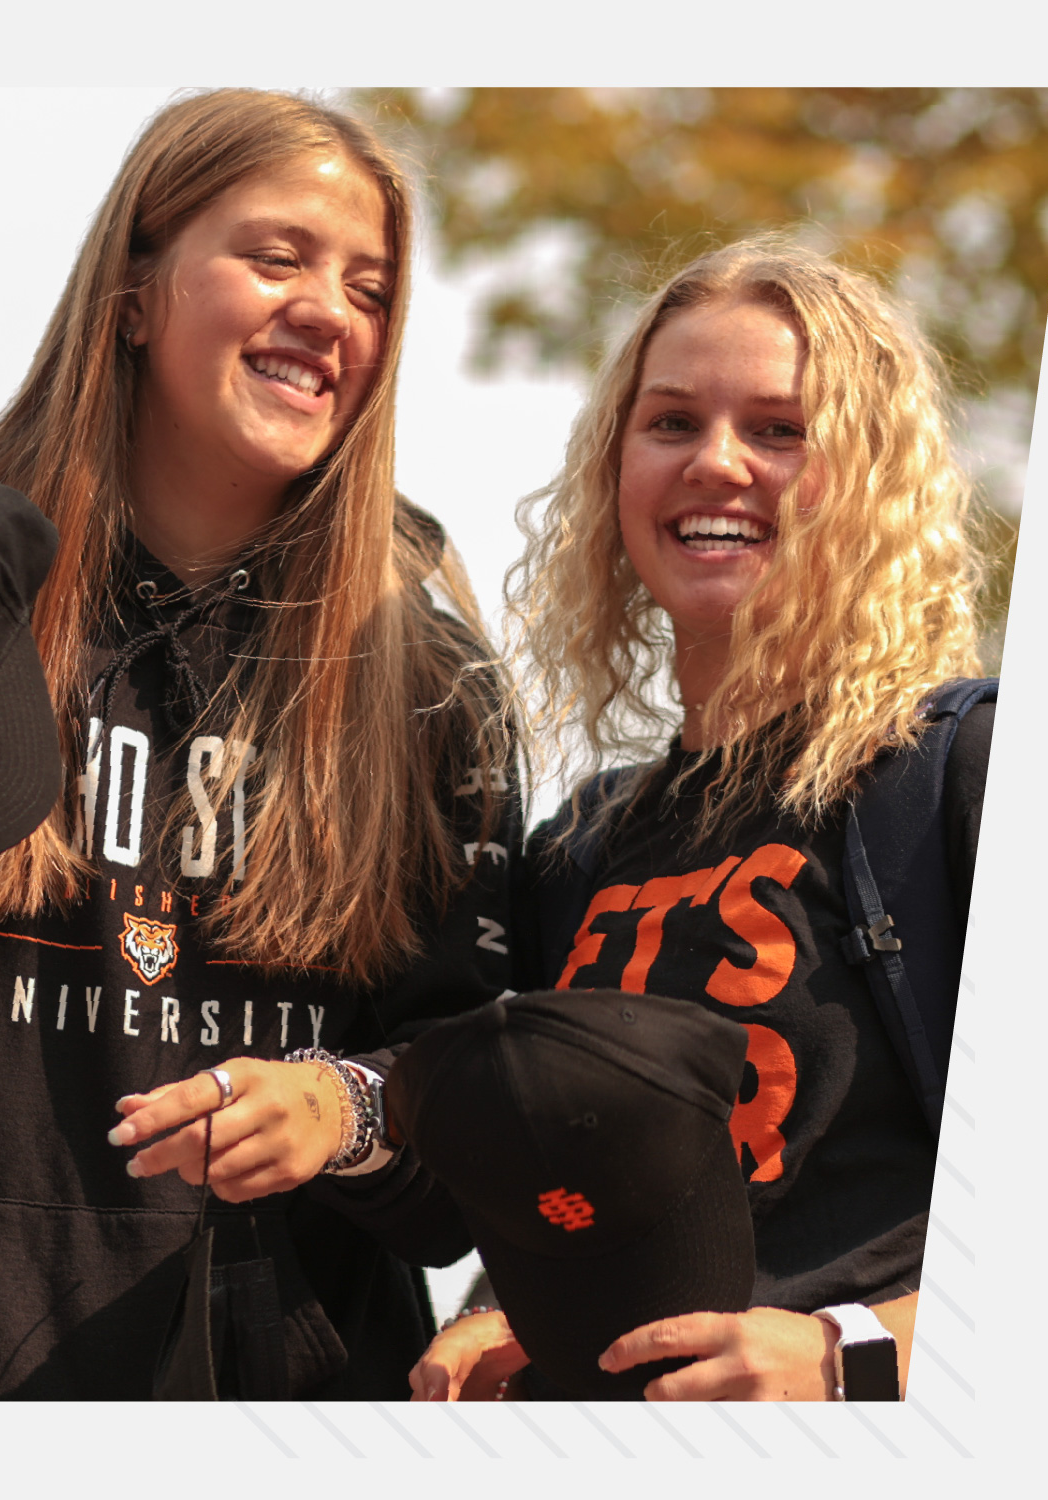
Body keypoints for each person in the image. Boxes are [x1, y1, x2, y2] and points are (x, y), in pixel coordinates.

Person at [0, 88, 520, 1399]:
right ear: (133, 288)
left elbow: (468, 1162)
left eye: (370, 287)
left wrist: (341, 1111)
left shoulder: (429, 678)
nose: (329, 312)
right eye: (276, 256)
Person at [409, 236, 993, 1402]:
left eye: (780, 430)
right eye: (671, 423)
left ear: (872, 482)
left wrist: (852, 1355)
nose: (717, 463)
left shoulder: (957, 772)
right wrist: (493, 1309)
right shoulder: (574, 847)